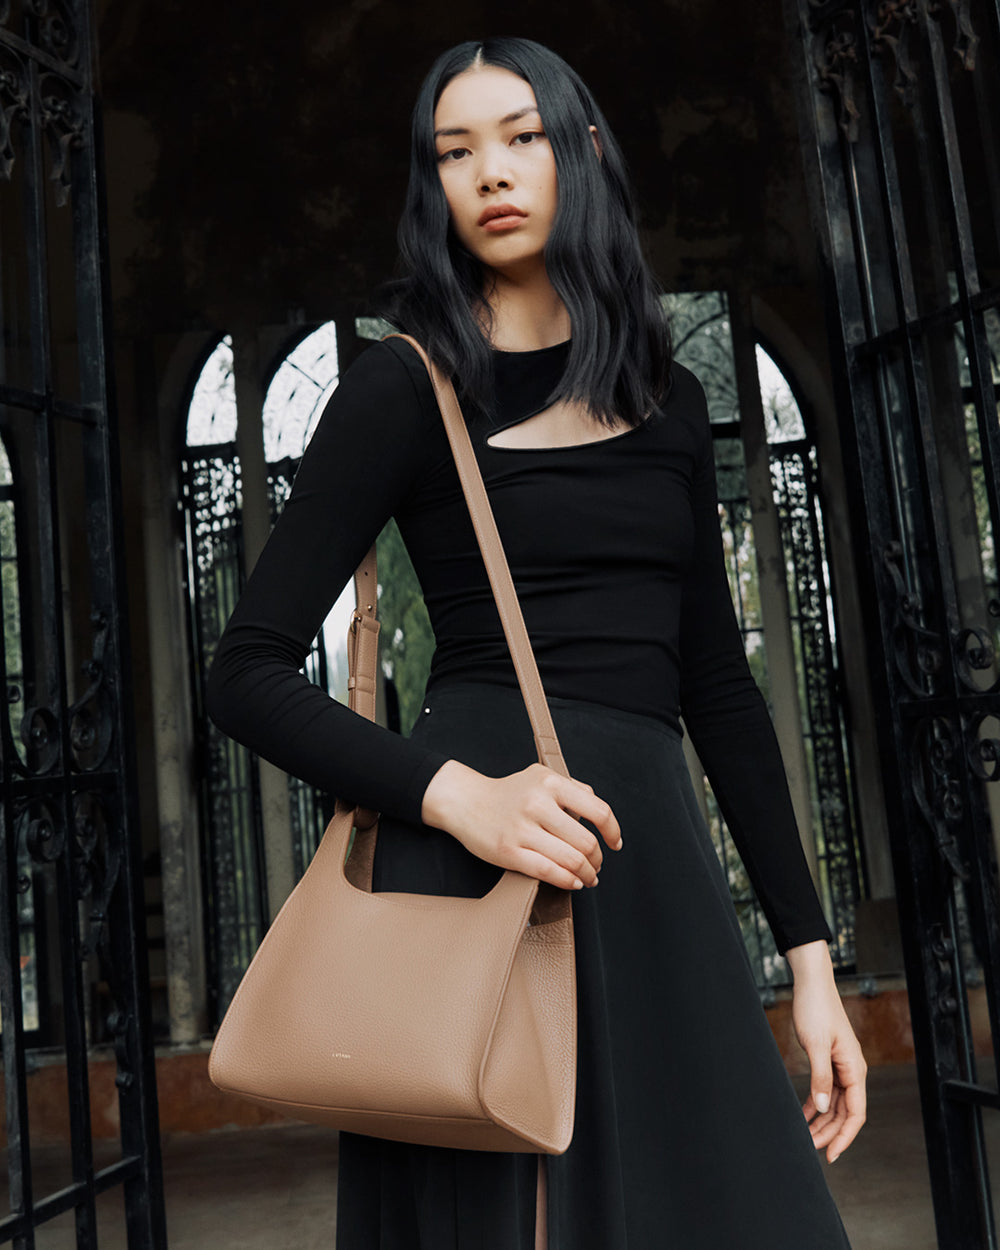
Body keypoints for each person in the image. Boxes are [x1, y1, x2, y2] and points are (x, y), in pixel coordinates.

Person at [206, 35, 866, 1250]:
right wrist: (457, 799)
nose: (491, 173)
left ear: (583, 152)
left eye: (521, 137)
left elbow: (718, 689)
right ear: (433, 186)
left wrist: (809, 959)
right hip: (470, 865)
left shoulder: (665, 397)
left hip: (648, 863)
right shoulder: (400, 387)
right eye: (455, 152)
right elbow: (241, 674)